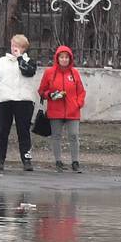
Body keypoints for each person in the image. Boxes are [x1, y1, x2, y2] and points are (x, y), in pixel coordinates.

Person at [0, 34, 39, 172]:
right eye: (13, 45)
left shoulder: (29, 61)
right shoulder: (2, 61)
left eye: (17, 45)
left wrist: (20, 58)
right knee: (2, 130)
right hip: (4, 100)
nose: (14, 48)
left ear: (23, 48)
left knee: (23, 131)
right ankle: (0, 159)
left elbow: (28, 72)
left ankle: (26, 159)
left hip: (23, 101)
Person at [38, 44, 87, 172]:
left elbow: (81, 91)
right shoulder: (49, 73)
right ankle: (58, 161)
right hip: (55, 110)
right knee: (56, 136)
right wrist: (50, 95)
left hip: (72, 111)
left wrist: (78, 103)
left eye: (66, 57)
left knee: (74, 135)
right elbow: (41, 91)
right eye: (62, 57)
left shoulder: (74, 73)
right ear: (57, 58)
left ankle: (75, 161)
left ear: (70, 59)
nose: (64, 60)